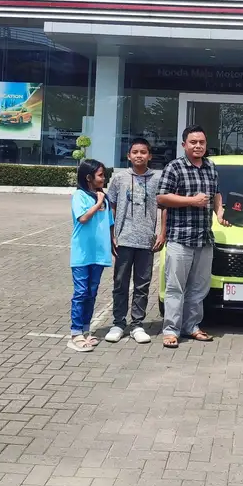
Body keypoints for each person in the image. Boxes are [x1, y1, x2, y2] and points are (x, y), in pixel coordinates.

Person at [157, 125, 229, 349]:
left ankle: (192, 326)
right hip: (180, 238)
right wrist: (191, 201)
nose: (198, 146)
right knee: (175, 287)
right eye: (193, 142)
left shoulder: (211, 167)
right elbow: (161, 198)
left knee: (199, 288)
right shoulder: (174, 167)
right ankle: (171, 330)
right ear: (184, 145)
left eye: (202, 142)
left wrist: (219, 212)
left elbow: (216, 193)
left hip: (204, 238)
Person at [105, 137, 166, 345]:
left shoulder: (157, 179)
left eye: (143, 152)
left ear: (150, 156)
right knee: (120, 283)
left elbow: (164, 207)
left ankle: (137, 325)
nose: (139, 155)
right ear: (128, 156)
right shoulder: (119, 178)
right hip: (123, 239)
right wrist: (111, 233)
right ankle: (118, 323)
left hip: (147, 241)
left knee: (142, 284)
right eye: (135, 152)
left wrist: (162, 233)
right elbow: (112, 206)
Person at [68, 158, 114, 353]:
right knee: (81, 293)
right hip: (82, 254)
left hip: (99, 254)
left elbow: (110, 223)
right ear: (88, 177)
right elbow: (84, 218)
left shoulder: (105, 198)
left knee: (92, 293)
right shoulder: (79, 196)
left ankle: (86, 330)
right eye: (100, 175)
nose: (104, 178)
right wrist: (98, 202)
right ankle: (75, 333)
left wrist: (113, 242)